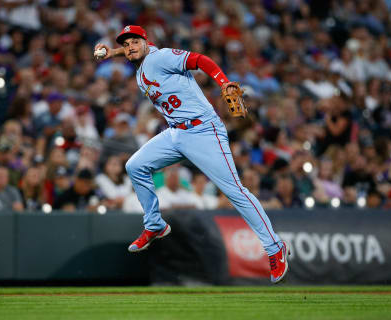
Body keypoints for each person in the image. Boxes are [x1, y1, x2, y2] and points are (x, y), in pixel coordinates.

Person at [95, 25, 288, 283]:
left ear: (146, 41)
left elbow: (199, 60)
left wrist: (223, 82)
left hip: (204, 131)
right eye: (126, 43)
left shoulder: (159, 56)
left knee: (235, 192)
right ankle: (154, 225)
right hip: (176, 133)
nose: (129, 46)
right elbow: (132, 52)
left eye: (134, 42)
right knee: (135, 165)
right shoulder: (141, 66)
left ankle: (275, 248)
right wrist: (113, 52)